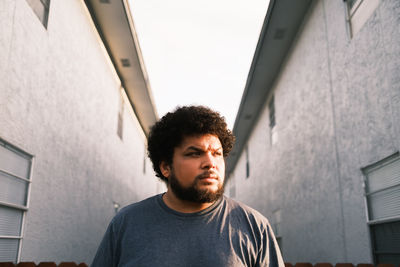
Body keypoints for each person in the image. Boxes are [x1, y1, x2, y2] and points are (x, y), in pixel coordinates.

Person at [90, 106, 284, 267]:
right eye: (194, 153)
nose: (210, 163)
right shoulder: (127, 224)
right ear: (166, 167)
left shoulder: (254, 226)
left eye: (217, 153)